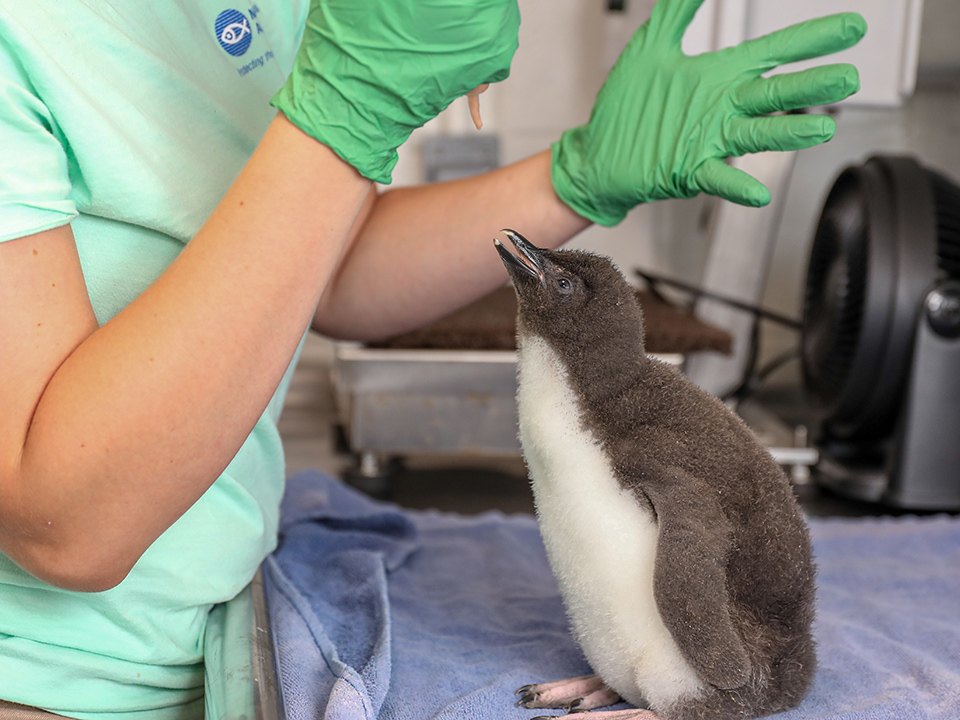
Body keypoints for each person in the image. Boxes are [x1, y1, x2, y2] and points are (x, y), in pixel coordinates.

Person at [0, 0, 864, 717]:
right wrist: (347, 112)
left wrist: (575, 176)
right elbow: (69, 526)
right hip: (53, 682)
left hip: (236, 634)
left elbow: (310, 269)